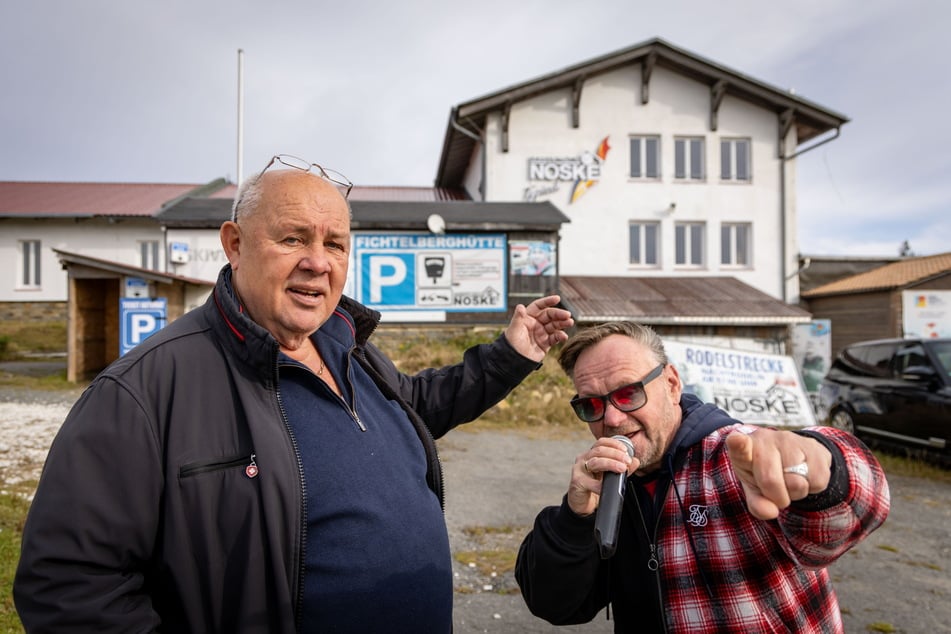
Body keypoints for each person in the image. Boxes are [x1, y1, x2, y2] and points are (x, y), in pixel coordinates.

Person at [14, 154, 574, 633]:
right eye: (293, 238)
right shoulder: (143, 390)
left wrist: (510, 355)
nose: (317, 261)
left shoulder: (347, 347)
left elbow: (419, 405)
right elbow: (68, 586)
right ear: (234, 245)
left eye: (335, 244)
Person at [515, 321, 889, 633]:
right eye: (592, 405)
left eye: (629, 394)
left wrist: (823, 468)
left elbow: (854, 512)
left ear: (672, 384)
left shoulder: (734, 455)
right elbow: (556, 606)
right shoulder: (606, 488)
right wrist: (574, 518)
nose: (611, 419)